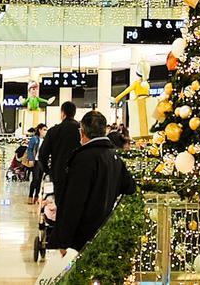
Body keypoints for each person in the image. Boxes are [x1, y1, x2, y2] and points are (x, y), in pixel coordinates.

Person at [49, 111, 135, 254]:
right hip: (104, 233)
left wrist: (63, 240)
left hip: (81, 238)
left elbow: (73, 202)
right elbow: (130, 187)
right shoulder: (113, 156)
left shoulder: (83, 159)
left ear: (82, 132)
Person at [38, 101, 81, 206]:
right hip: (79, 173)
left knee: (60, 203)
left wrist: (48, 170)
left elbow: (42, 154)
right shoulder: (81, 130)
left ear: (63, 113)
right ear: (74, 113)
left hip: (59, 173)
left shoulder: (54, 130)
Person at [26, 124, 46, 204]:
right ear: (39, 130)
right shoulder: (34, 139)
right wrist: (31, 159)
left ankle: (36, 196)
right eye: (44, 129)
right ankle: (30, 196)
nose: (45, 131)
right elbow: (30, 149)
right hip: (36, 161)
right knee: (35, 179)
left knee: (40, 180)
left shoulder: (45, 140)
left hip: (42, 162)